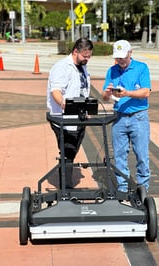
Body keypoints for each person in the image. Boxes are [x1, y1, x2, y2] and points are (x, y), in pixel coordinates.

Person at [102, 40, 151, 193]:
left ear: (130, 53)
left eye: (123, 57)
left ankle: (143, 187)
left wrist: (127, 93)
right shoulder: (112, 70)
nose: (120, 61)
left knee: (141, 154)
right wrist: (107, 93)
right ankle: (122, 187)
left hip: (138, 116)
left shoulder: (141, 68)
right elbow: (104, 96)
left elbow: (146, 92)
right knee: (119, 154)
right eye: (117, 58)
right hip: (119, 117)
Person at [47, 37, 93, 188]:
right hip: (63, 117)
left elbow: (82, 89)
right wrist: (63, 103)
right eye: (84, 56)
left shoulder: (82, 66)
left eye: (89, 56)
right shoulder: (62, 67)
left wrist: (86, 109)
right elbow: (56, 90)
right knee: (67, 150)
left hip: (79, 116)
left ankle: (66, 182)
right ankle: (65, 187)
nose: (87, 59)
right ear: (75, 52)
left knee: (71, 151)